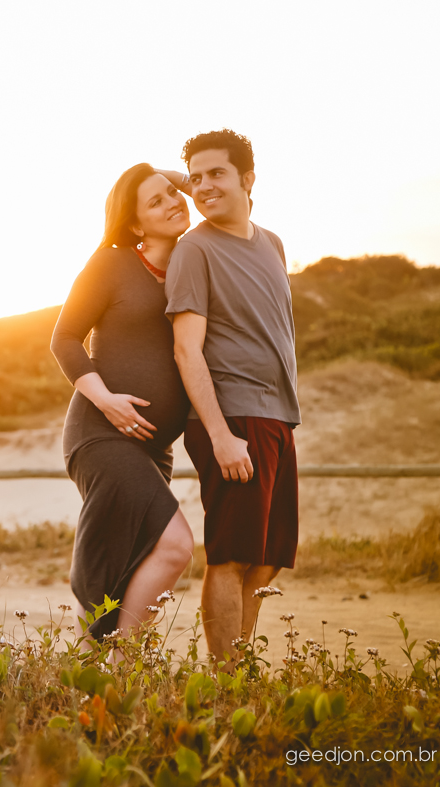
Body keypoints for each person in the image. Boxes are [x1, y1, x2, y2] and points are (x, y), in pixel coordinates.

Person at [164, 129, 300, 668]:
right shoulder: (194, 249)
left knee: (268, 558)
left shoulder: (273, 244)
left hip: (277, 415)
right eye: (194, 178)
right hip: (232, 417)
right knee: (232, 555)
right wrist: (220, 435)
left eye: (215, 174)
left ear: (248, 179)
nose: (202, 186)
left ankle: (236, 669)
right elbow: (186, 349)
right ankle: (226, 681)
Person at [50, 162, 196, 642]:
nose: (173, 202)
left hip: (153, 448)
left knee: (130, 555)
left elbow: (229, 203)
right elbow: (64, 338)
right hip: (101, 433)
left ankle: (92, 660)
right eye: (156, 201)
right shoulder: (112, 263)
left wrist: (177, 178)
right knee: (175, 546)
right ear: (134, 224)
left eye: (173, 192)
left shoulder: (194, 263)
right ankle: (121, 660)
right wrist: (107, 400)